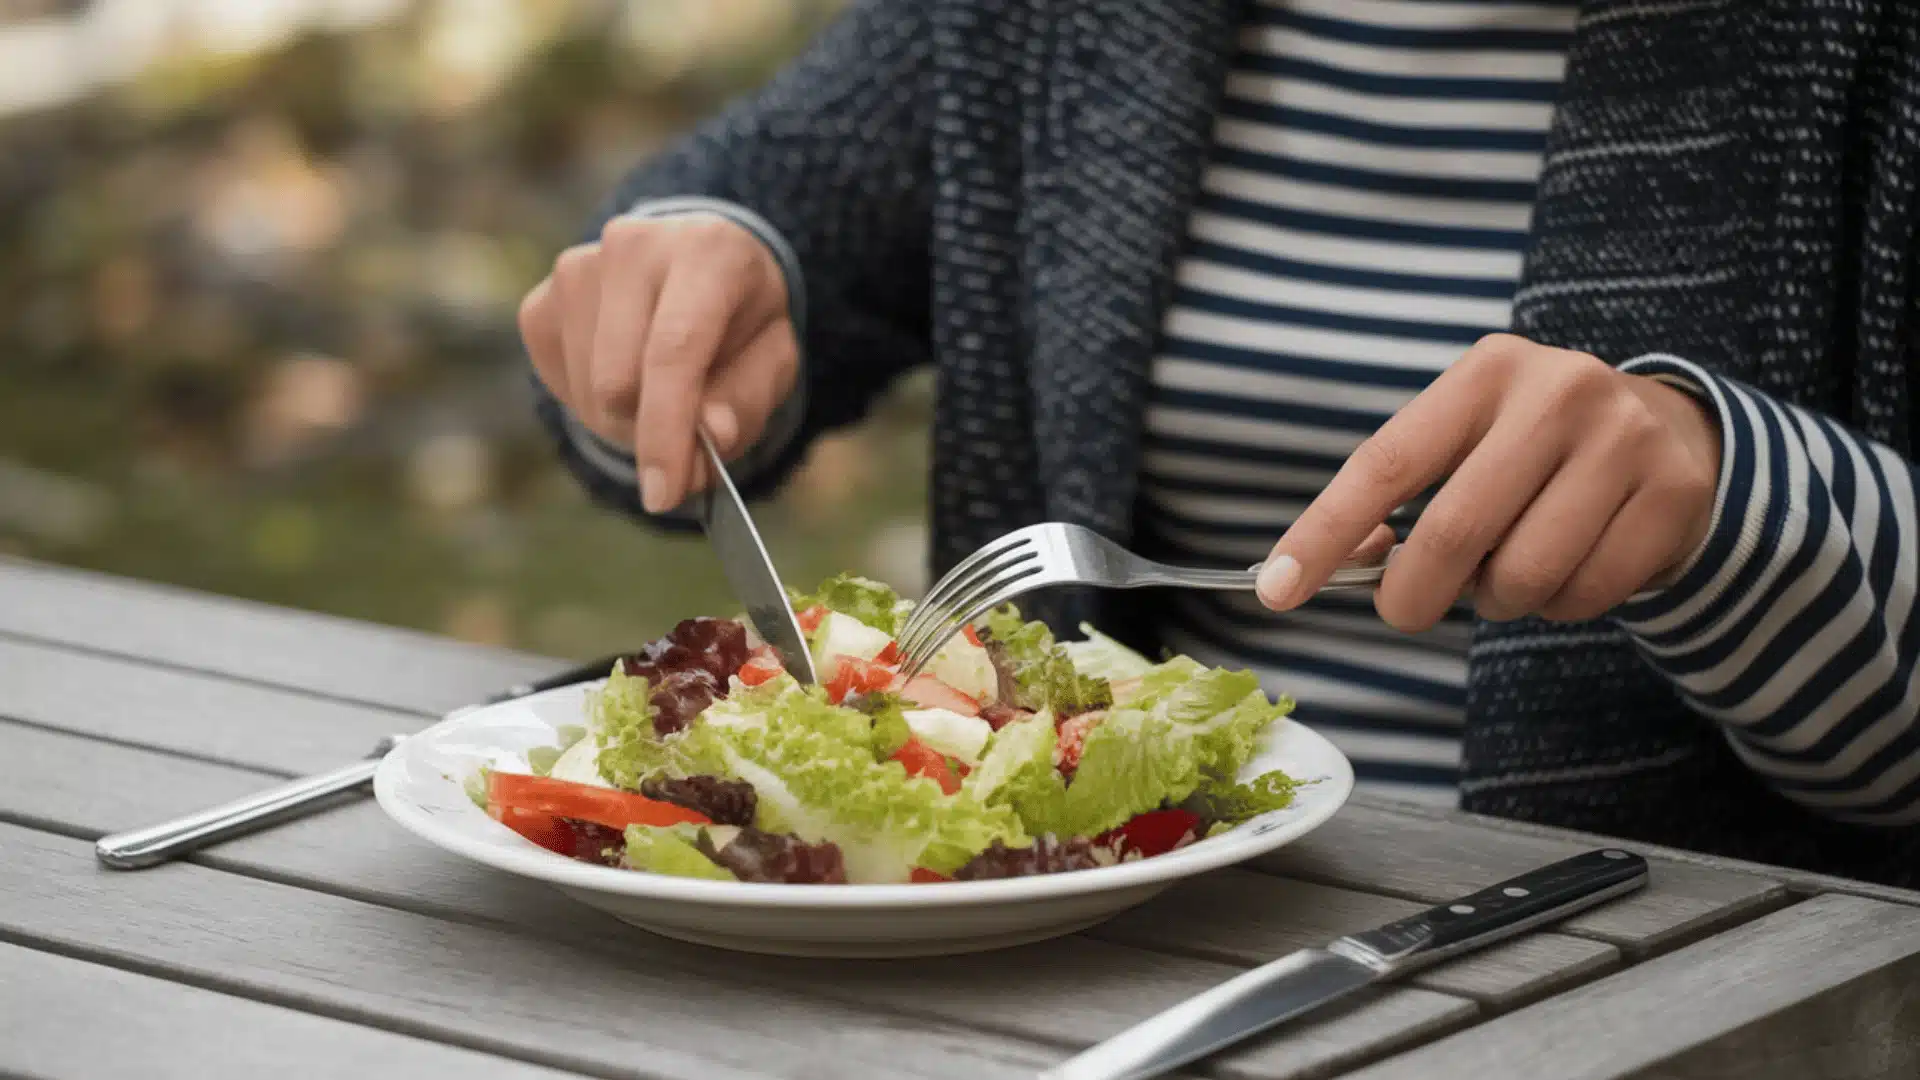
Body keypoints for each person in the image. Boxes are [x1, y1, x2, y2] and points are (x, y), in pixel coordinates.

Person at [517, 0, 1920, 886]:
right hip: (1055, 963)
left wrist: (1737, 514)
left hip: (1633, 982)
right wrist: (692, 275)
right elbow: (765, 188)